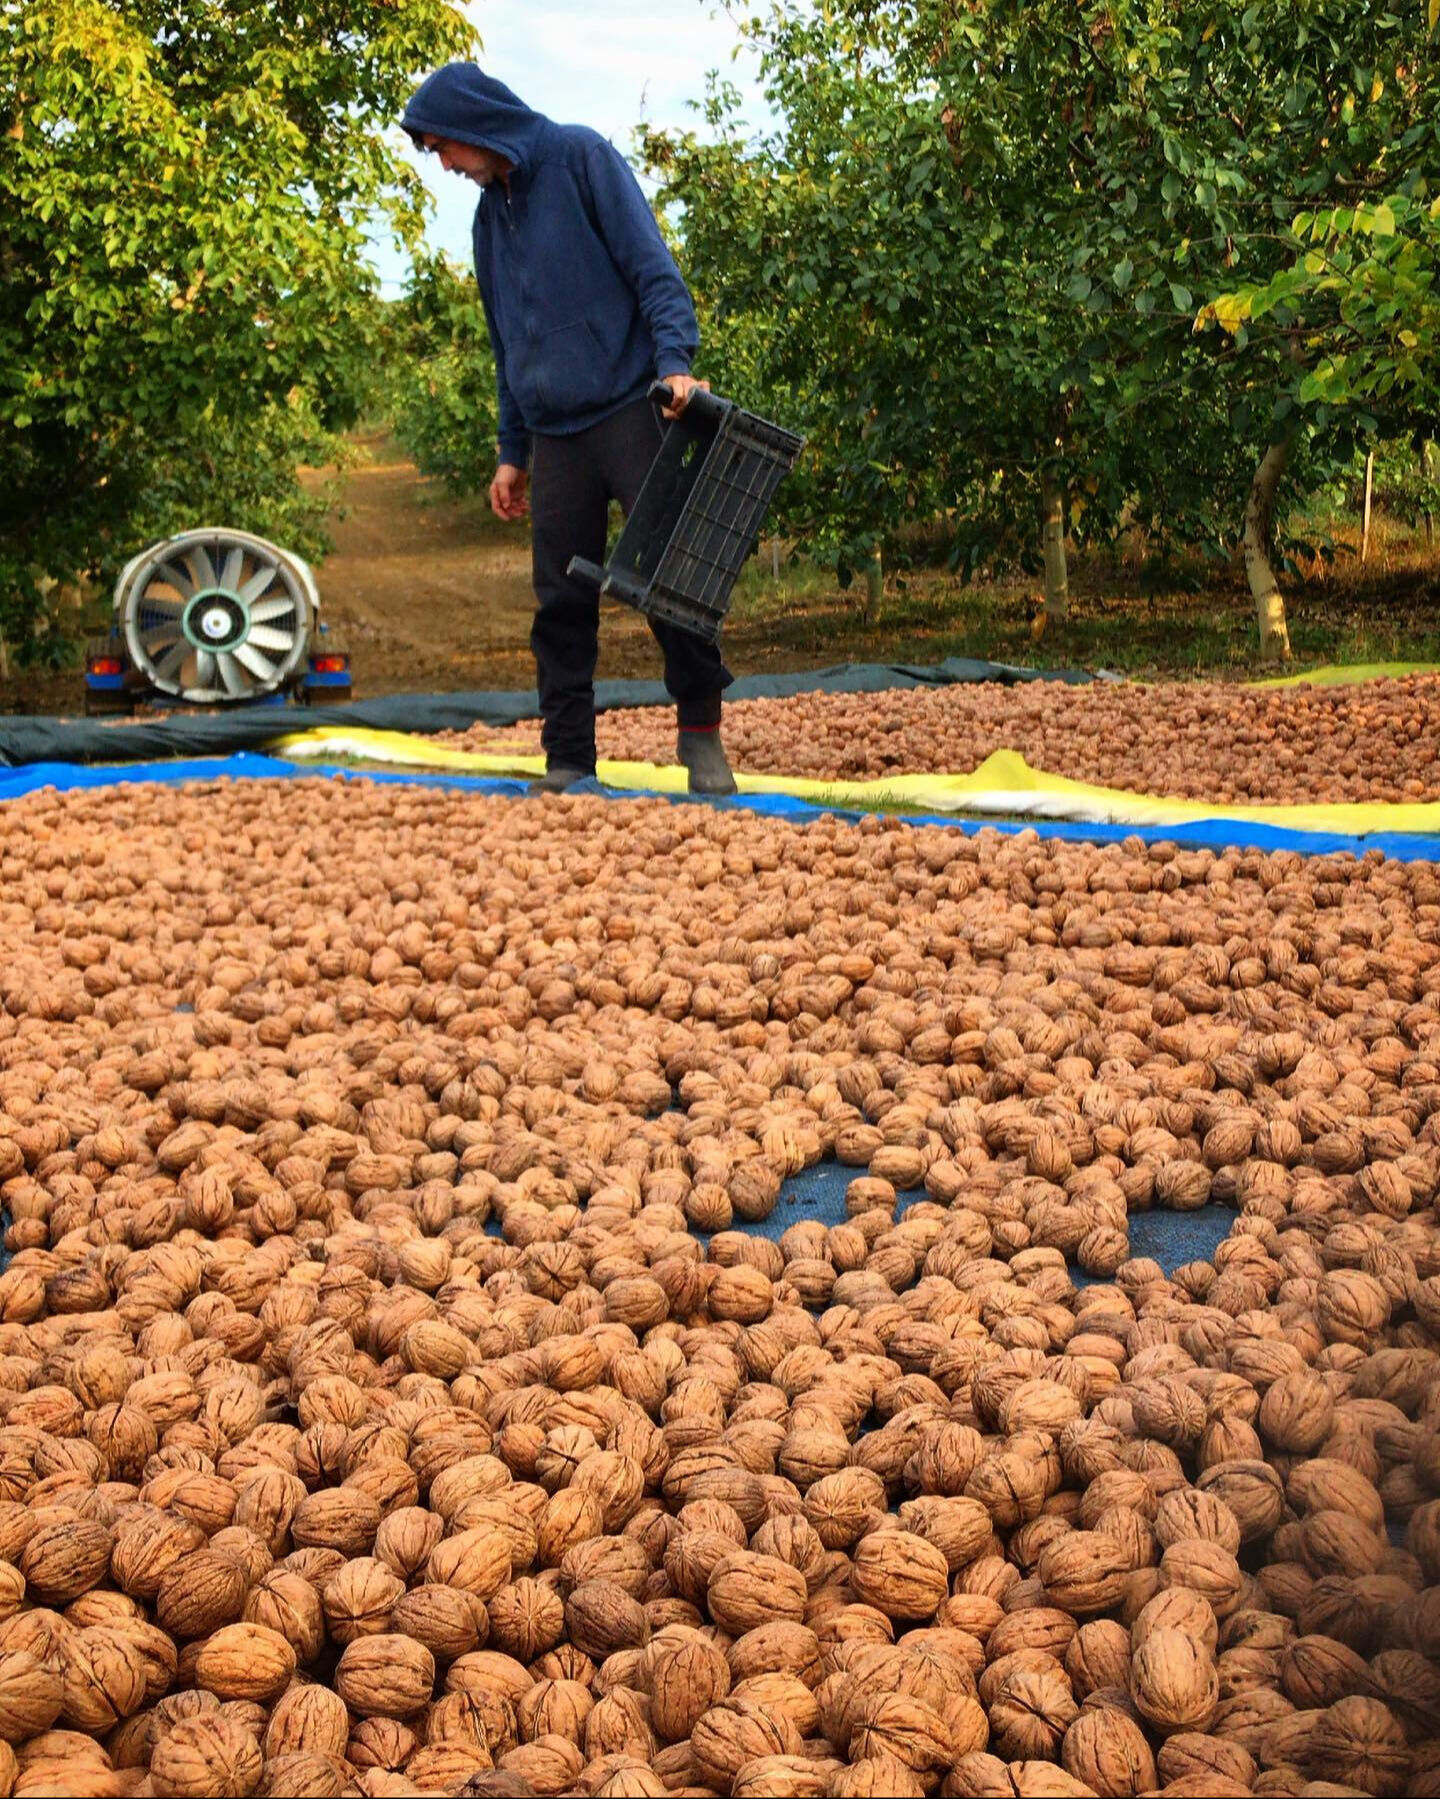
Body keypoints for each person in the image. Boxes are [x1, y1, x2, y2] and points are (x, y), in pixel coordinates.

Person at [400, 62, 737, 796]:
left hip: (629, 407)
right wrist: (511, 450)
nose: (445, 165)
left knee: (669, 584)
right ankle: (569, 759)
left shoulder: (581, 159)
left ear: (472, 124)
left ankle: (701, 733)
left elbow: (654, 271)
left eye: (443, 148)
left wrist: (676, 365)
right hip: (555, 435)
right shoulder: (488, 220)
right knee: (559, 604)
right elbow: (506, 344)